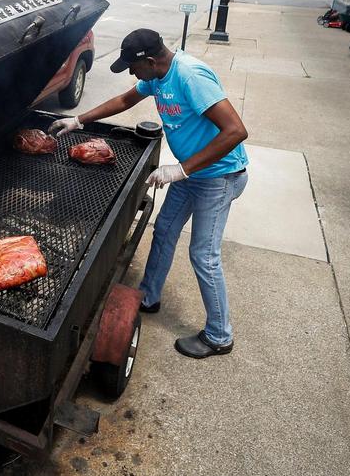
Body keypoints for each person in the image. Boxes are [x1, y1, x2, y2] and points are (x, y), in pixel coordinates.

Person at [49, 29, 249, 359]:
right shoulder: (156, 77)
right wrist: (80, 120)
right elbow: (125, 100)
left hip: (219, 176)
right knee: (165, 230)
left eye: (133, 67)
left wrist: (181, 170)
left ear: (152, 61)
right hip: (192, 172)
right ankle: (149, 296)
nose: (131, 73)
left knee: (203, 254)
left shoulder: (189, 77)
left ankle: (219, 335)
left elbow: (236, 131)